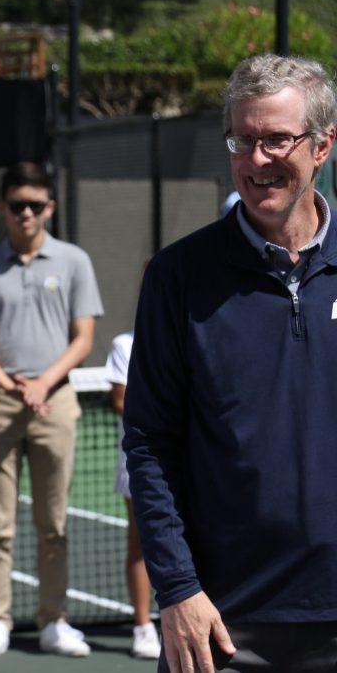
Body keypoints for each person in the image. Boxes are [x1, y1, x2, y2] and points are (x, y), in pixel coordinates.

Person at [123, 53, 337, 672]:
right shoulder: (178, 276)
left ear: (322, 146)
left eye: (276, 139)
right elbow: (148, 443)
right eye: (242, 140)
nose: (256, 159)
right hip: (219, 623)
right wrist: (179, 591)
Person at [0, 161, 103, 660]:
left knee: (55, 523)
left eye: (36, 205)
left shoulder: (74, 262)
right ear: (3, 207)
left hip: (56, 403)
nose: (27, 214)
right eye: (18, 204)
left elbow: (83, 336)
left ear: (50, 208)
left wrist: (44, 383)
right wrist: (8, 383)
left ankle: (54, 620)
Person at [105, 329, 160, 660]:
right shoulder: (125, 344)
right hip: (140, 458)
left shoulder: (188, 335)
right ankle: (143, 626)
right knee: (140, 543)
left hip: (191, 457)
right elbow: (121, 401)